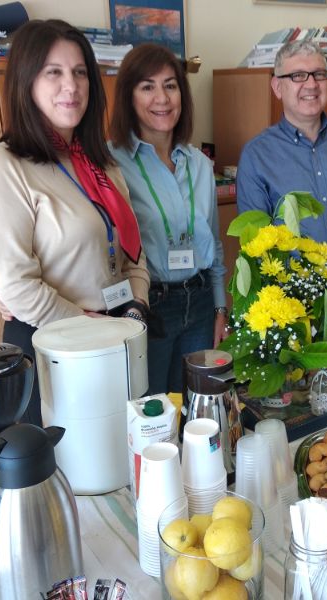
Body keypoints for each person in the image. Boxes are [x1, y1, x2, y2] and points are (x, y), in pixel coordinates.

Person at [0, 20, 150, 425]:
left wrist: (136, 307)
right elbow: (17, 287)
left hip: (117, 334)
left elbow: (132, 251)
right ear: (26, 81)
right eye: (53, 72)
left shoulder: (100, 163)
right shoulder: (3, 168)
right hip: (53, 345)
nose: (71, 86)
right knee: (68, 459)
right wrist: (96, 330)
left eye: (80, 72)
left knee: (125, 450)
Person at [109, 43, 228, 395]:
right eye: (147, 86)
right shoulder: (110, 163)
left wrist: (220, 308)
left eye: (170, 85)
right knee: (151, 409)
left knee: (196, 405)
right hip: (149, 306)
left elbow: (213, 243)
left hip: (200, 301)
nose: (162, 98)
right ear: (129, 96)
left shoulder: (200, 164)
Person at [237, 40, 327, 263]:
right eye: (298, 75)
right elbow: (257, 239)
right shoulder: (256, 156)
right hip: (290, 284)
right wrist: (308, 280)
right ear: (277, 87)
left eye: (319, 74)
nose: (311, 84)